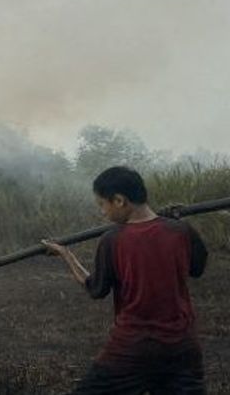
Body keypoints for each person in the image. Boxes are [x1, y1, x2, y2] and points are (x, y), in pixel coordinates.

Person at [42, 165, 208, 394]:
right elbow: (197, 268)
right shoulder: (181, 231)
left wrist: (65, 253)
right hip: (182, 349)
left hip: (132, 350)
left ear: (119, 200)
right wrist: (176, 223)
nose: (103, 212)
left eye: (102, 204)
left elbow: (96, 289)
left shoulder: (113, 240)